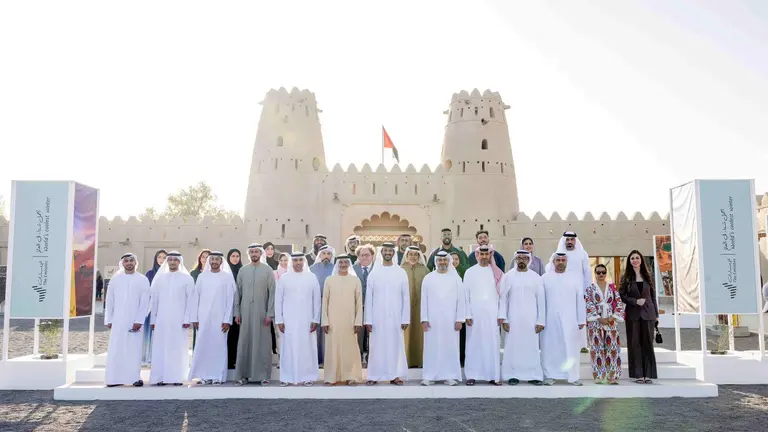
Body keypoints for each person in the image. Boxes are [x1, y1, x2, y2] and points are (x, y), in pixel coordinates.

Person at [364, 242, 410, 386]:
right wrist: (368, 320)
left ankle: (395, 375)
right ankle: (373, 375)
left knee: (395, 345)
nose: (388, 253)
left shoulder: (401, 272)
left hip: (396, 317)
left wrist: (405, 318)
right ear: (381, 252)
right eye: (385, 251)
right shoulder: (374, 273)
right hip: (377, 318)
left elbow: (405, 297)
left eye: (390, 251)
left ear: (393, 253)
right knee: (376, 346)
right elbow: (369, 298)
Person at [498, 250, 545, 385]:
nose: (522, 260)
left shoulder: (536, 277)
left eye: (525, 258)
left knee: (531, 347)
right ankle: (512, 375)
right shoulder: (507, 277)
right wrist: (504, 319)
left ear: (529, 260)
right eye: (519, 258)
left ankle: (533, 375)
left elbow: (541, 301)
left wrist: (541, 320)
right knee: (513, 347)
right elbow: (503, 299)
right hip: (513, 319)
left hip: (531, 319)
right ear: (515, 259)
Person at [148, 251, 195, 386]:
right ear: (167, 262)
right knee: (160, 348)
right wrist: (153, 320)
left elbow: (190, 300)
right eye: (170, 260)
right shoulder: (160, 279)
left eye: (175, 260)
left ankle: (176, 377)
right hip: (161, 320)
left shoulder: (187, 279)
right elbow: (154, 301)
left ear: (179, 262)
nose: (173, 262)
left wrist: (187, 319)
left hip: (179, 321)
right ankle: (160, 377)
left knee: (177, 348)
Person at [189, 251, 235, 385]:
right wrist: (195, 318)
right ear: (209, 261)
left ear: (221, 261)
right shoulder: (202, 277)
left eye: (217, 259)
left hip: (220, 319)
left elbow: (230, 300)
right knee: (204, 345)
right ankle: (203, 376)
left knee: (218, 346)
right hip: (203, 318)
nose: (214, 261)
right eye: (212, 259)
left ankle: (217, 375)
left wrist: (227, 319)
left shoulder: (227, 277)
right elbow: (196, 297)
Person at [104, 253, 150, 387]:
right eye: (126, 261)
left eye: (131, 260)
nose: (129, 263)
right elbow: (110, 300)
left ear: (136, 263)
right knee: (116, 349)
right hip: (117, 320)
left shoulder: (142, 279)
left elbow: (145, 302)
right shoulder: (115, 279)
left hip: (134, 321)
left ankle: (133, 378)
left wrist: (140, 320)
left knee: (133, 349)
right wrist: (109, 319)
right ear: (122, 263)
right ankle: (113, 379)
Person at [540, 252, 586, 386]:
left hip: (570, 319)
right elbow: (541, 302)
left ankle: (573, 376)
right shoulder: (544, 278)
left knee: (571, 347)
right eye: (558, 260)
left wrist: (581, 319)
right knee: (550, 347)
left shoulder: (575, 278)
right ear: (553, 262)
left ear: (566, 262)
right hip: (550, 319)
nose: (560, 262)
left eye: (563, 260)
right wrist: (541, 320)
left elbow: (580, 300)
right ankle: (550, 375)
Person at [275, 253, 321, 386]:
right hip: (288, 320)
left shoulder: (311, 277)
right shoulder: (284, 278)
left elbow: (316, 300)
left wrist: (315, 319)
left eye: (300, 260)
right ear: (291, 262)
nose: (298, 263)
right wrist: (279, 320)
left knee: (307, 348)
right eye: (295, 260)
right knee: (288, 348)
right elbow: (278, 301)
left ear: (304, 261)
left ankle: (307, 377)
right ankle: (287, 377)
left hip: (307, 320)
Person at [420, 250, 465, 386]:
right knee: (431, 347)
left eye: (445, 260)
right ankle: (429, 375)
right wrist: (424, 319)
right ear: (436, 262)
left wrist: (459, 319)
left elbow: (461, 300)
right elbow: (424, 300)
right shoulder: (428, 278)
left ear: (449, 261)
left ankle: (449, 375)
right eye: (439, 260)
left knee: (449, 346)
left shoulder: (456, 279)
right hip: (432, 320)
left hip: (450, 320)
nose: (442, 262)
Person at [234, 243, 276, 386]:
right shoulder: (243, 271)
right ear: (249, 254)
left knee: (263, 344)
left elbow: (272, 294)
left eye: (256, 251)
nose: (254, 254)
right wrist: (237, 312)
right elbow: (237, 293)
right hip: (245, 312)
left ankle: (264, 375)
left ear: (261, 253)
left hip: (262, 313)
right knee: (245, 343)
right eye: (251, 251)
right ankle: (242, 375)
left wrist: (270, 313)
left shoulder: (268, 270)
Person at [463, 245, 503, 386]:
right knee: (473, 344)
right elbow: (465, 295)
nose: (484, 257)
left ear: (490, 255)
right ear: (477, 255)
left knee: (492, 345)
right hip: (474, 315)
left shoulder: (497, 273)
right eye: (481, 254)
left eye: (487, 254)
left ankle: (493, 376)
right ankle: (472, 375)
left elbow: (502, 296)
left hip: (492, 316)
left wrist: (501, 314)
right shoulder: (469, 272)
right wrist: (467, 314)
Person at [322, 254, 364, 386]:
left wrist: (358, 321)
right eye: (341, 263)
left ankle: (350, 376)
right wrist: (324, 321)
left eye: (346, 262)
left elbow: (359, 302)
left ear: (349, 264)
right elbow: (324, 302)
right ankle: (331, 377)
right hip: (333, 321)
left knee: (349, 349)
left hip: (350, 321)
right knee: (332, 349)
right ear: (337, 264)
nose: (343, 265)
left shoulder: (355, 280)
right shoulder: (329, 280)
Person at [619, 250, 658, 384]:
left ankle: (648, 374)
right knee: (634, 343)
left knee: (647, 343)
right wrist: (635, 301)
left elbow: (653, 296)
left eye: (637, 258)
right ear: (629, 262)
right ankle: (638, 374)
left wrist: (656, 314)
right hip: (633, 314)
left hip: (649, 313)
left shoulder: (648, 276)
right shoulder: (626, 277)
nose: (635, 260)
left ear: (641, 259)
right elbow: (622, 296)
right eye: (632, 258)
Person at [585, 263, 625, 384]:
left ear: (606, 273)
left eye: (603, 272)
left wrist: (612, 317)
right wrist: (598, 318)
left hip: (611, 321)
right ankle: (599, 375)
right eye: (598, 272)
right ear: (595, 274)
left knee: (612, 348)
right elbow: (588, 304)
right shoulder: (590, 289)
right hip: (595, 322)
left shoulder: (612, 288)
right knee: (596, 349)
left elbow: (618, 303)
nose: (601, 274)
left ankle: (612, 376)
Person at [556, 231, 591, 352]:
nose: (570, 242)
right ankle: (563, 343)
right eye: (567, 239)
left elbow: (587, 273)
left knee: (579, 317)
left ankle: (581, 345)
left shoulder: (582, 254)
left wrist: (588, 291)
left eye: (572, 239)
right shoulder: (558, 254)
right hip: (562, 292)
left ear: (575, 241)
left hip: (579, 292)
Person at [401, 245, 428, 368]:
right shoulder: (400, 270)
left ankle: (420, 360)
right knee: (405, 334)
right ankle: (405, 360)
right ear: (406, 256)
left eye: (415, 254)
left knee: (420, 334)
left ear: (419, 256)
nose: (413, 257)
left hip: (421, 308)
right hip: (404, 308)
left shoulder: (425, 270)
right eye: (410, 254)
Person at [310, 245, 335, 366]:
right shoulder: (312, 268)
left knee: (328, 329)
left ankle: (327, 359)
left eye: (329, 254)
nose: (326, 256)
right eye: (324, 253)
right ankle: (316, 359)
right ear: (319, 255)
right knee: (315, 330)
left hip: (331, 303)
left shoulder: (336, 268)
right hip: (314, 302)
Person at [142, 249, 167, 366]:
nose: (161, 260)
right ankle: (149, 357)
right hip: (152, 309)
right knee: (150, 334)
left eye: (164, 257)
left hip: (165, 308)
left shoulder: (169, 274)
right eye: (159, 257)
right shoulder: (150, 274)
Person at [352, 244, 375, 365]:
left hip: (374, 308)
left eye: (367, 255)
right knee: (358, 334)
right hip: (357, 308)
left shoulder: (378, 269)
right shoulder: (352, 269)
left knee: (373, 334)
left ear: (372, 256)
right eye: (362, 255)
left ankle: (372, 359)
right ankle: (358, 359)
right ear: (358, 257)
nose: (364, 258)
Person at [450, 250, 470, 367]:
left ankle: (462, 358)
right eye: (452, 259)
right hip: (448, 310)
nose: (454, 261)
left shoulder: (464, 272)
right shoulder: (444, 272)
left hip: (461, 309)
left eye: (456, 259)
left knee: (462, 336)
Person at [190, 248, 211, 349]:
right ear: (200, 258)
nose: (205, 259)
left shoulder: (213, 273)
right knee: (197, 332)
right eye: (203, 257)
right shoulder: (194, 273)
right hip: (198, 307)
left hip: (211, 306)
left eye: (207, 257)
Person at [226, 248, 243, 370]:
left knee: (237, 335)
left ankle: (236, 360)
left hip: (239, 308)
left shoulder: (242, 271)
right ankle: (228, 361)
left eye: (237, 256)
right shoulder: (225, 272)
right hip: (226, 308)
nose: (235, 258)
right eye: (233, 256)